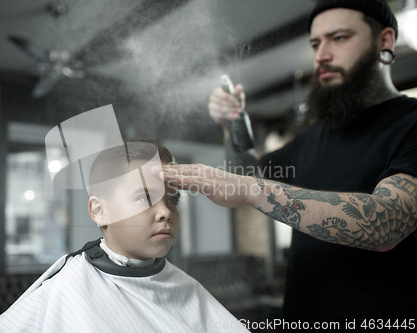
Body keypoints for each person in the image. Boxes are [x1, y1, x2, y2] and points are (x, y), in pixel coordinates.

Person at [154, 0, 417, 330]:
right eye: (315, 43)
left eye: (339, 38)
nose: (321, 55)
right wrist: (233, 123)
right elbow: (247, 174)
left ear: (385, 41)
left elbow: (387, 223)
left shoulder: (411, 124)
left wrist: (251, 190)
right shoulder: (312, 138)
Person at [0, 140, 249, 333]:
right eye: (145, 197)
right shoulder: (63, 292)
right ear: (99, 210)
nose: (165, 211)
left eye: (173, 199)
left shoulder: (187, 288)